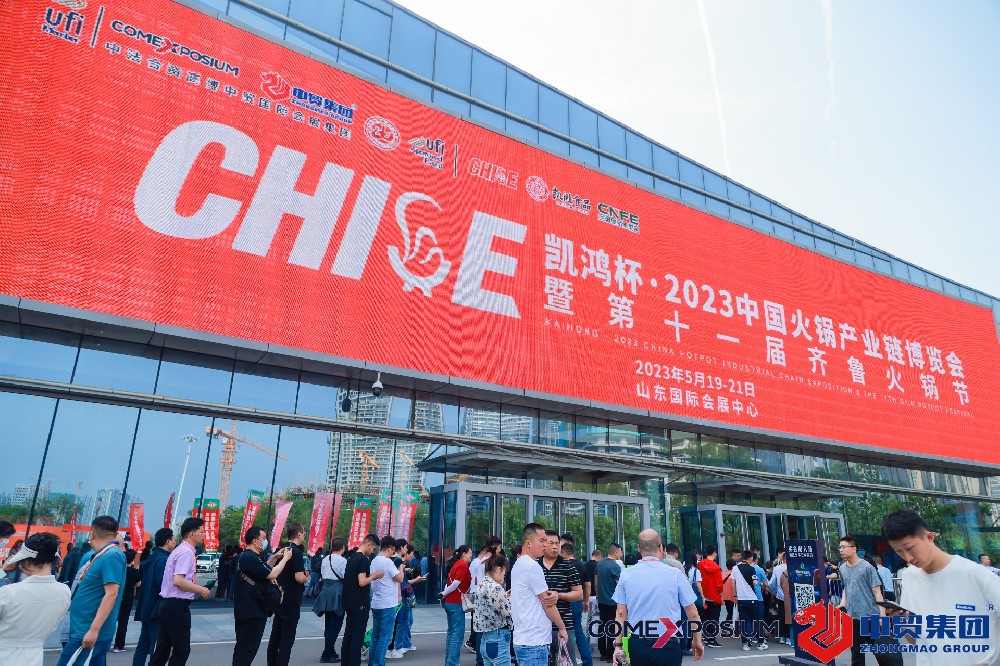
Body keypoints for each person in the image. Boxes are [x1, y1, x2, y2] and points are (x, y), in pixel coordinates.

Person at [883, 510, 1000, 665]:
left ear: (929, 537)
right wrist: (900, 620)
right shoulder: (909, 577)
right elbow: (915, 640)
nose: (908, 558)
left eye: (910, 548)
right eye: (899, 552)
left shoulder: (976, 575)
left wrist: (988, 662)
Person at [611, 529, 703, 666]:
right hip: (668, 644)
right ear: (660, 548)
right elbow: (693, 614)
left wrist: (618, 645)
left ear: (639, 548)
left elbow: (620, 613)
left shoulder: (626, 575)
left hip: (639, 644)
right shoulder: (675, 574)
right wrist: (697, 640)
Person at [55, 516, 127, 666]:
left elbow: (111, 594)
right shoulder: (103, 555)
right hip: (86, 630)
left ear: (92, 533)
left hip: (87, 632)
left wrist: (94, 629)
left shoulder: (111, 555)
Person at [0, 532, 71, 666]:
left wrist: (2, 570)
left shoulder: (9, 593)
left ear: (28, 562)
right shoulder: (64, 592)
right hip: (34, 656)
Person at [149, 517, 210, 666]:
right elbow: (178, 581)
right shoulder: (186, 553)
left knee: (163, 650)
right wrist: (201, 589)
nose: (204, 535)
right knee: (181, 650)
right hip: (176, 606)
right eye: (202, 532)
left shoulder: (180, 550)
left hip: (168, 605)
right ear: (192, 534)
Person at [834, 535, 902, 666]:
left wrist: (882, 616)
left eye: (843, 547)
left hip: (871, 617)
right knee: (856, 654)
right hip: (852, 618)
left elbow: (877, 592)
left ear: (854, 549)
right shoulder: (842, 568)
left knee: (882, 653)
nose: (841, 550)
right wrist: (843, 602)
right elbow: (846, 587)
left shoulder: (867, 567)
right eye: (839, 547)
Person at [232, 526, 294, 665]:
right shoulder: (249, 557)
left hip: (248, 610)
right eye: (263, 538)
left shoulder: (248, 556)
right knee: (246, 650)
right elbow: (271, 574)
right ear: (255, 541)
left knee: (243, 649)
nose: (265, 541)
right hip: (251, 611)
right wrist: (285, 559)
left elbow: (263, 569)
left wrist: (275, 557)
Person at [511, 524, 566, 666]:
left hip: (525, 639)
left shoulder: (519, 563)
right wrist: (562, 628)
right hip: (534, 642)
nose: (545, 544)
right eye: (541, 541)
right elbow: (547, 602)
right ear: (528, 543)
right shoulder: (532, 566)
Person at [266, 523, 309, 666]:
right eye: (303, 533)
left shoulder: (281, 549)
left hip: (278, 596)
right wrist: (306, 577)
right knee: (287, 638)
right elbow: (299, 577)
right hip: (291, 599)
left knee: (275, 636)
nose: (304, 535)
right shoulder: (295, 552)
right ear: (298, 534)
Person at [132, 527, 175, 666]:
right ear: (168, 541)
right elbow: (163, 587)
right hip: (156, 610)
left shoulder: (153, 557)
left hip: (146, 607)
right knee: (156, 650)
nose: (175, 542)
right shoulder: (164, 560)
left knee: (143, 646)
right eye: (174, 539)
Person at [539, 531, 581, 666]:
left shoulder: (568, 566)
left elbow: (578, 594)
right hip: (539, 627)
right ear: (543, 544)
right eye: (551, 543)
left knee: (566, 661)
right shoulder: (535, 565)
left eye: (557, 543)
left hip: (564, 625)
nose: (555, 546)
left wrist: (559, 595)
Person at [341, 534, 384, 666]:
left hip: (349, 601)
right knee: (357, 638)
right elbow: (362, 581)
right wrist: (375, 576)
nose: (372, 552)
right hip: (360, 603)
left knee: (348, 635)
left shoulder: (352, 558)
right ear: (368, 544)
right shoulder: (363, 560)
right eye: (373, 549)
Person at [368, 535, 404, 666]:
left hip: (376, 603)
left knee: (375, 637)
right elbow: (400, 578)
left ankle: (372, 663)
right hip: (387, 604)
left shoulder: (374, 560)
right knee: (384, 638)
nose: (393, 553)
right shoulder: (387, 562)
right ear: (390, 548)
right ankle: (378, 663)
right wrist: (401, 568)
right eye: (393, 550)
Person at [473, 553, 513, 666]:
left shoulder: (482, 585)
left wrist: (505, 595)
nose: (504, 576)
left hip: (485, 638)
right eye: (504, 573)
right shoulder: (495, 587)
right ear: (498, 569)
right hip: (498, 637)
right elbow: (507, 612)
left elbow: (490, 604)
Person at [560, 540, 593, 666]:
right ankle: (587, 661)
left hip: (565, 602)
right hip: (578, 601)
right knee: (579, 632)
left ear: (564, 553)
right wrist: (585, 600)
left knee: (563, 632)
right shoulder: (581, 565)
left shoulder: (563, 566)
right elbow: (588, 585)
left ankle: (566, 661)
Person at [315, 538, 348, 663]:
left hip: (325, 590)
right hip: (337, 591)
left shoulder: (325, 559)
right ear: (342, 547)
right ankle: (326, 654)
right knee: (336, 624)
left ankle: (330, 650)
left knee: (328, 624)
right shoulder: (342, 560)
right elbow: (345, 576)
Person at [441, 544, 473, 666]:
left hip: (450, 601)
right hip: (456, 602)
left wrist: (445, 593)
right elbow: (456, 583)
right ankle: (453, 663)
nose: (471, 555)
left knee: (452, 633)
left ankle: (449, 662)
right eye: (470, 553)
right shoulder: (463, 565)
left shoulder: (455, 564)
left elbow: (450, 582)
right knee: (457, 635)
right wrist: (445, 592)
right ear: (464, 554)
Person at [733, 550, 766, 651]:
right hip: (752, 598)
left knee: (744, 620)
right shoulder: (752, 569)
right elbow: (755, 582)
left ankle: (745, 643)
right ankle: (760, 643)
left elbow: (733, 583)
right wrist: (760, 583)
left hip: (741, 598)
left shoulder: (735, 568)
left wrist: (735, 595)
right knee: (757, 620)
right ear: (750, 558)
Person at [595, 544, 623, 662]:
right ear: (616, 552)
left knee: (602, 626)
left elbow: (596, 580)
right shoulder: (615, 566)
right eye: (620, 551)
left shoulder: (599, 563)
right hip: (612, 601)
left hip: (601, 600)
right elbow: (621, 584)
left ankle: (603, 653)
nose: (621, 554)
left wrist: (598, 594)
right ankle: (611, 653)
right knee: (612, 627)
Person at [112, 547, 141, 653]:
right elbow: (138, 584)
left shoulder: (118, 570)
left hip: (116, 596)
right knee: (123, 622)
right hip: (128, 597)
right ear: (133, 559)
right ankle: (119, 645)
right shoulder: (135, 572)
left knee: (112, 619)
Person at [696, 547, 723, 648]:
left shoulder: (700, 565)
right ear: (714, 553)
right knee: (714, 618)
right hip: (714, 596)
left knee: (705, 618)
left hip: (703, 595)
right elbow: (719, 584)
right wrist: (721, 596)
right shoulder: (716, 568)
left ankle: (707, 637)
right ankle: (712, 640)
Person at [767, 548, 789, 645]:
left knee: (781, 616)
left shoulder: (777, 568)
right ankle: (789, 637)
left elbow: (771, 584)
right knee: (789, 616)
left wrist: (775, 593)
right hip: (791, 596)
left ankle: (781, 637)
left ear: (782, 559)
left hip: (780, 596)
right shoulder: (793, 567)